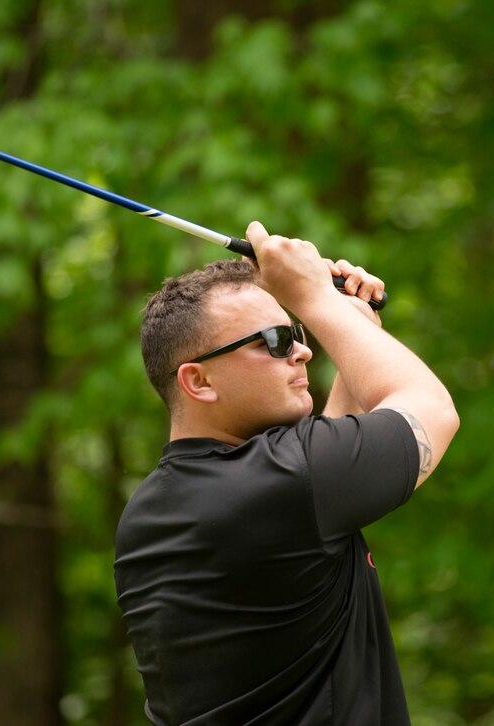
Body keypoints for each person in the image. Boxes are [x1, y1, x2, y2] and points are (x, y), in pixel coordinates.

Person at [114, 221, 459, 725]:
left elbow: (320, 473)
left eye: (296, 333)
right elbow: (432, 410)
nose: (302, 350)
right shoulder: (282, 481)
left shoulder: (154, 507)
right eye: (274, 340)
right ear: (199, 380)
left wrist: (355, 323)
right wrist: (315, 297)